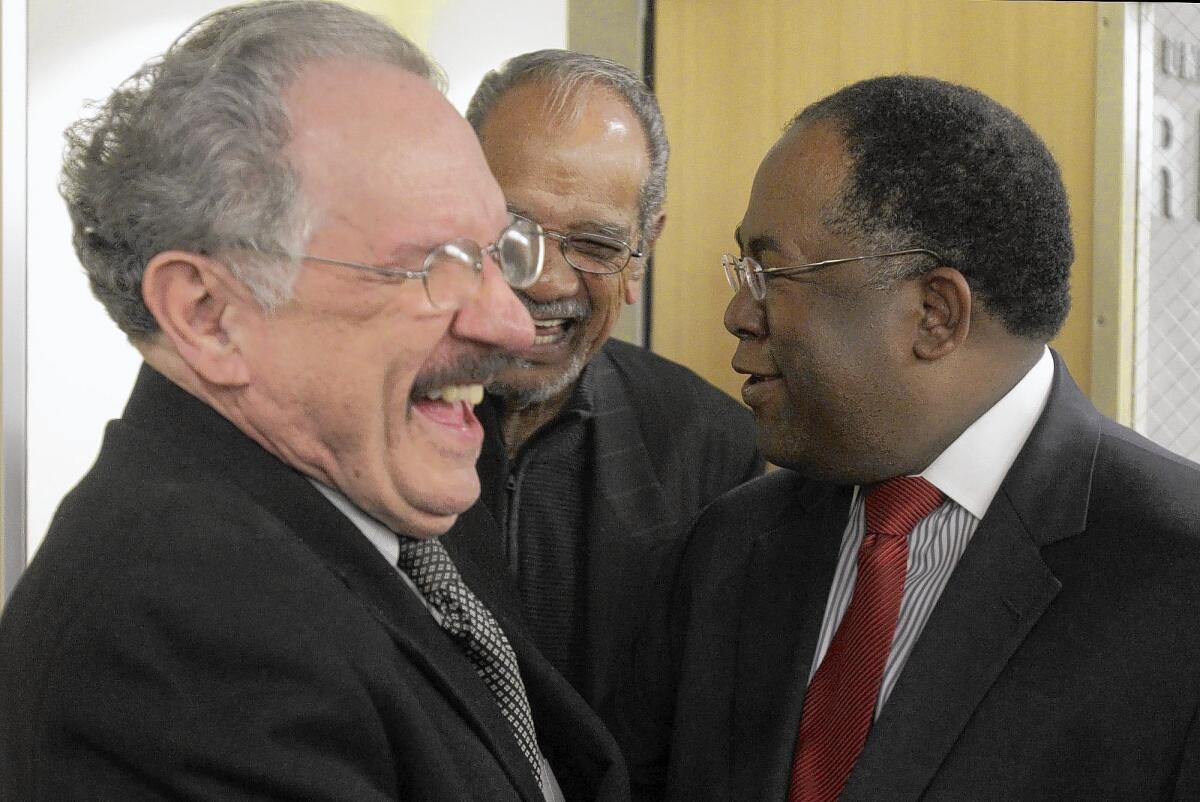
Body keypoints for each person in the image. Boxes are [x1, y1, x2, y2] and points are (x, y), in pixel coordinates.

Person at [0, 3, 628, 800]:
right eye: (436, 264)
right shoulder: (184, 628)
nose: (510, 319)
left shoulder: (390, 489)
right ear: (207, 312)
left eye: (495, 252)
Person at [622, 75, 1200, 801]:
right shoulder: (724, 552)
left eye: (772, 274)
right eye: (743, 270)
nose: (740, 311)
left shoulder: (1178, 578)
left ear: (934, 314)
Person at [448, 50, 765, 712]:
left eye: (595, 246)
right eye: (513, 231)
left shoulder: (716, 452)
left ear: (643, 251)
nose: (546, 280)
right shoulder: (362, 414)